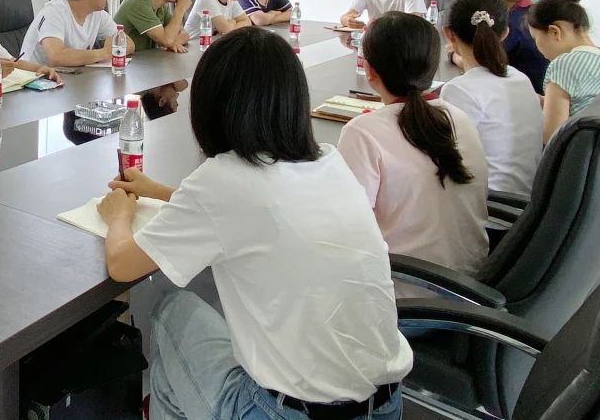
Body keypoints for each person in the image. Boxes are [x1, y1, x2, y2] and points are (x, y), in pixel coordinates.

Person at [98, 28, 412, 420]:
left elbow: (122, 264)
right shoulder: (328, 161)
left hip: (285, 413)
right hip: (386, 407)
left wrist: (119, 215)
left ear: (213, 106)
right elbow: (248, 212)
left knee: (170, 311)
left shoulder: (224, 179)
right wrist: (161, 191)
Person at [337, 12, 489, 284]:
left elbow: (349, 233)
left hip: (407, 288)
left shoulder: (363, 132)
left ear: (369, 69)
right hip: (470, 280)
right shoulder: (458, 117)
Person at [439, 0, 543, 196]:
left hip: (489, 204)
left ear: (448, 34)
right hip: (522, 199)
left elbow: (443, 160)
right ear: (505, 33)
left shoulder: (459, 90)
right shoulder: (519, 78)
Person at [526, 0, 600, 143]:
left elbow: (551, 136)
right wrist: (541, 101)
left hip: (572, 153)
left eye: (535, 38)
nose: (537, 46)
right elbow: (582, 104)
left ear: (554, 31)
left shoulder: (563, 65)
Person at [20, 0, 128, 67]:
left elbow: (128, 42)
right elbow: (57, 57)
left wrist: (113, 47)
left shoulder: (97, 14)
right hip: (34, 76)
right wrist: (105, 52)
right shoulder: (53, 12)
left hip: (70, 74)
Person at [471, 0, 549, 94]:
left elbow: (481, 65)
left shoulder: (511, 23)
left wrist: (453, 55)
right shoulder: (537, 11)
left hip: (522, 93)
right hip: (542, 91)